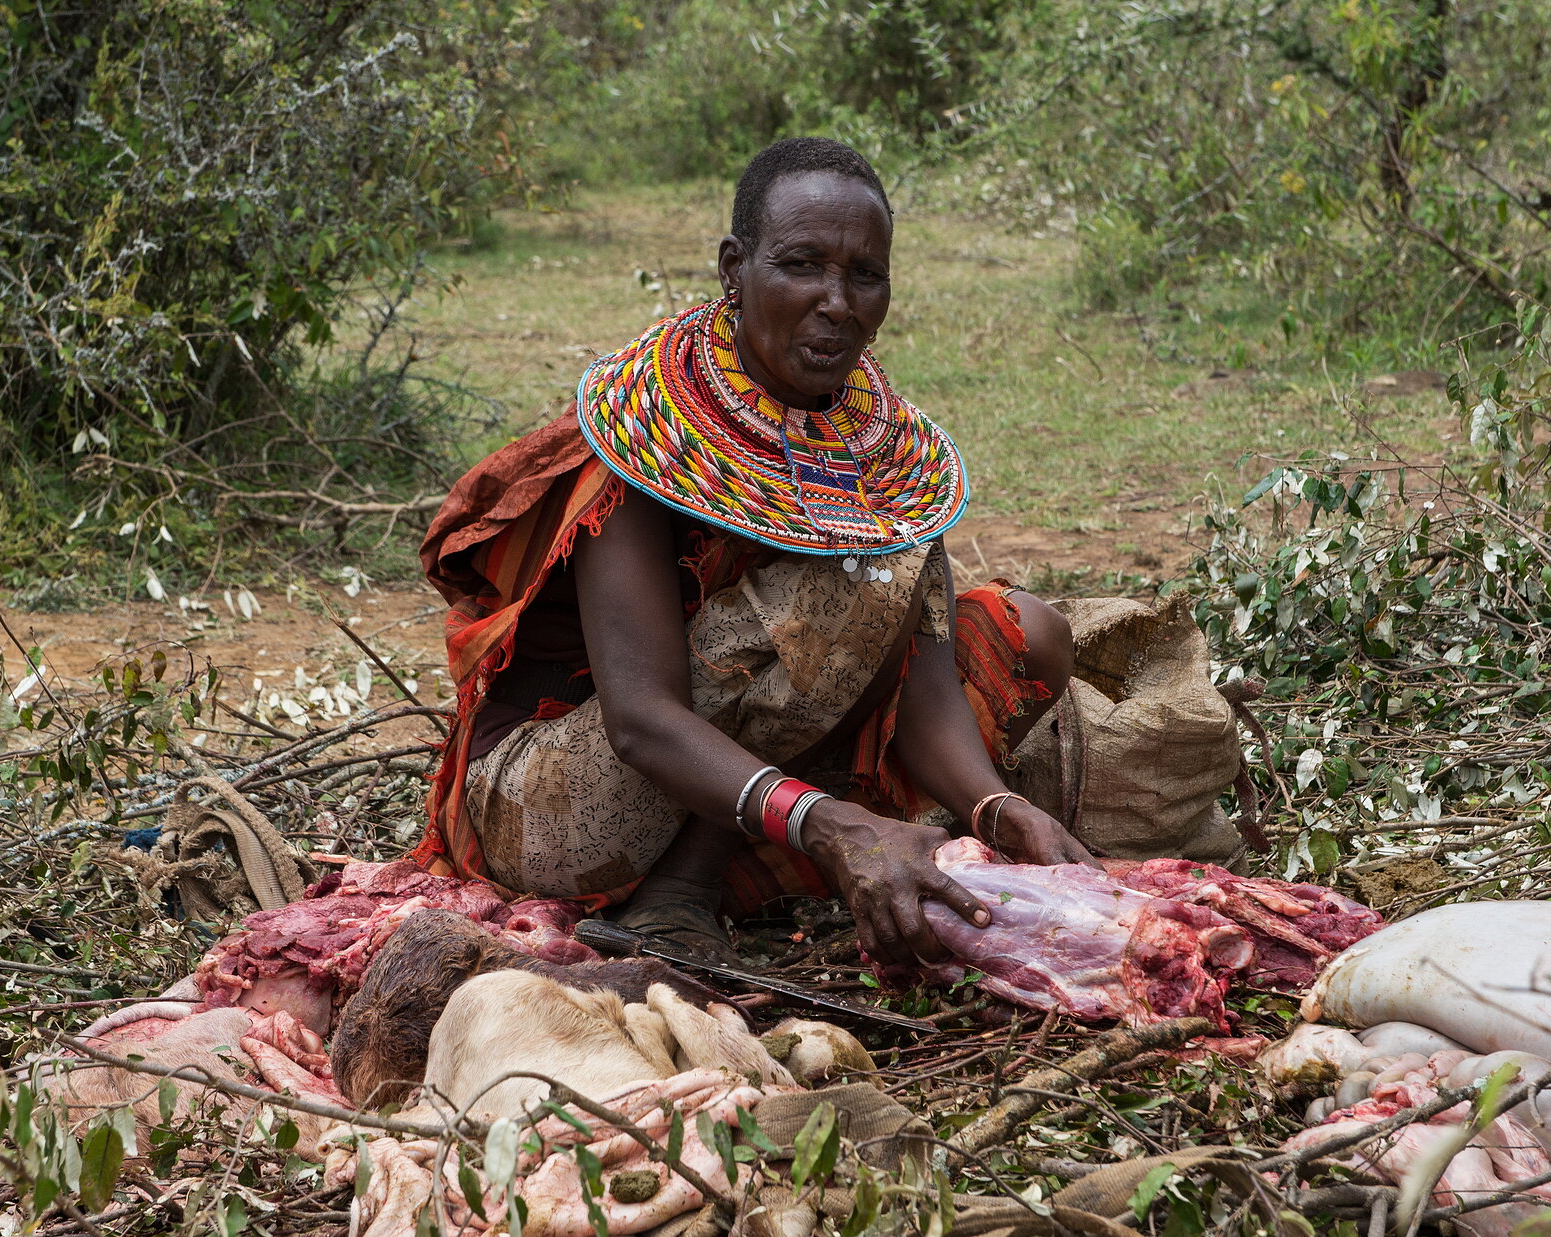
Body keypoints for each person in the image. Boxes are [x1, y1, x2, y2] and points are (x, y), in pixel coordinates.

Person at [413, 137, 1096, 966]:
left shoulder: (884, 454)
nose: (837, 302)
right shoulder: (648, 431)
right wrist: (833, 822)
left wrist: (995, 809)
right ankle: (683, 892)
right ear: (734, 267)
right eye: (802, 264)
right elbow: (640, 722)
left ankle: (757, 854)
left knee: (1023, 629)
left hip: (712, 769)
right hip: (552, 802)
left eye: (865, 275)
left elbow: (926, 688)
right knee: (866, 579)